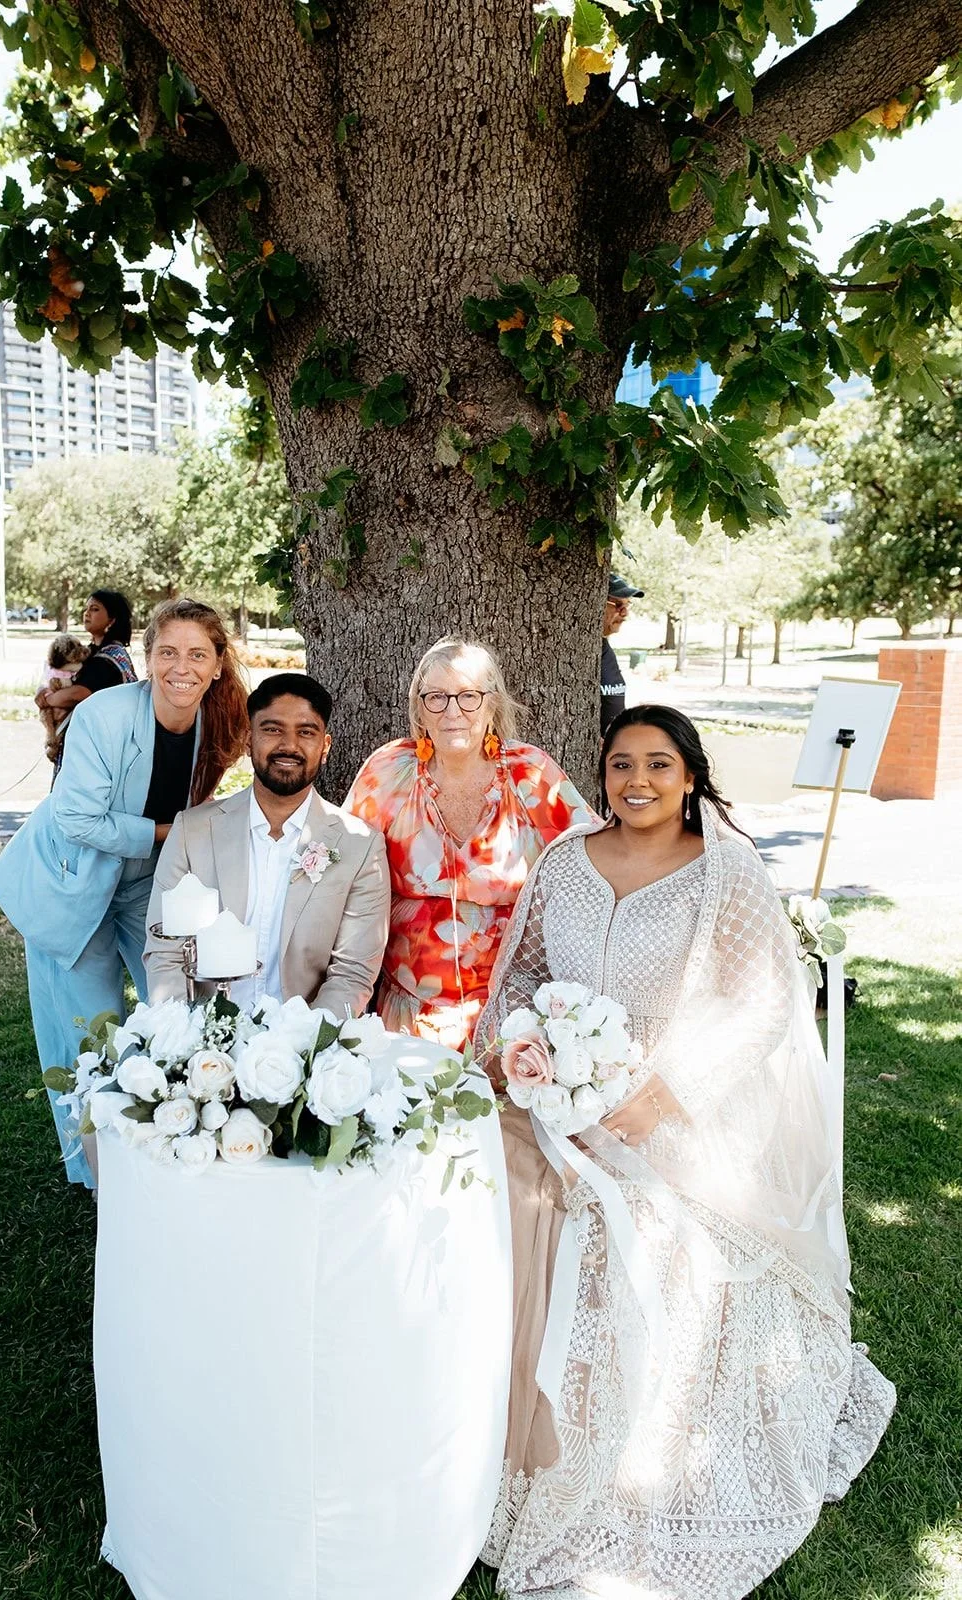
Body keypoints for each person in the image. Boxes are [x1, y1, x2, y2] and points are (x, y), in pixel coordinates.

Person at [477, 704, 895, 1600]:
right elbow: (521, 973)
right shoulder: (563, 861)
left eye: (657, 765)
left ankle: (634, 1462)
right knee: (494, 1200)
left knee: (642, 1229)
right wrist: (524, 1054)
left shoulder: (726, 871)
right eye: (620, 764)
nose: (636, 781)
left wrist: (663, 1092)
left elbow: (761, 1006)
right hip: (556, 1098)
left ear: (690, 776)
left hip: (675, 1108)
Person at [0, 598, 248, 1188]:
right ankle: (101, 1173)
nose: (181, 667)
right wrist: (169, 831)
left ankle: (185, 1135)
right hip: (69, 882)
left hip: (141, 884)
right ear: (149, 659)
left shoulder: (215, 720)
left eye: (197, 654)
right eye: (168, 653)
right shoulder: (103, 715)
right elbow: (78, 818)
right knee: (93, 1030)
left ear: (216, 665)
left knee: (182, 1004)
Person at [345, 637, 598, 1050]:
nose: (452, 712)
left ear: (492, 704)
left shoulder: (531, 776)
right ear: (418, 707)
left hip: (515, 1020)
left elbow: (593, 863)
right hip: (407, 1020)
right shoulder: (387, 773)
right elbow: (342, 875)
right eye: (436, 698)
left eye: (468, 696)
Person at [146, 673, 389, 1018]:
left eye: (306, 732)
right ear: (249, 739)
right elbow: (165, 953)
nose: (288, 745)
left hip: (305, 1041)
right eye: (273, 729)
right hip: (203, 1036)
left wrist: (304, 1047)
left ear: (325, 747)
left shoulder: (359, 846)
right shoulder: (192, 830)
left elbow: (351, 975)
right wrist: (184, 1040)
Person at [36, 589, 137, 773]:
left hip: (98, 753)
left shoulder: (108, 658)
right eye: (86, 608)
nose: (87, 613)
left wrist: (48, 699)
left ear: (112, 620)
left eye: (95, 609)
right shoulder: (91, 653)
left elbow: (79, 694)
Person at [600, 571, 644, 737]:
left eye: (627, 605)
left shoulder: (603, 649)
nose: (625, 613)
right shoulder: (579, 653)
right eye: (618, 605)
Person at [37, 633, 91, 762]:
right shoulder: (57, 674)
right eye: (74, 647)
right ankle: (52, 740)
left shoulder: (80, 669)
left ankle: (54, 743)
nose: (80, 649)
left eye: (80, 645)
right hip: (52, 710)